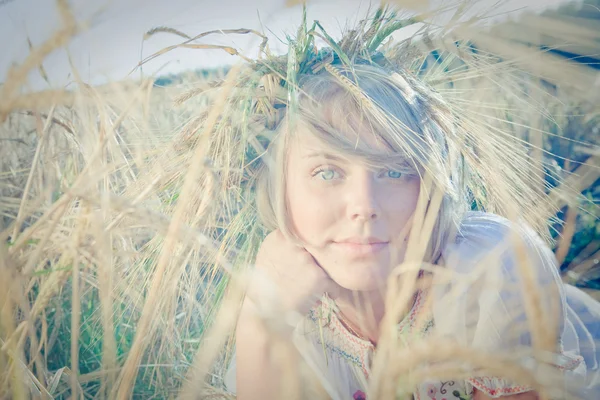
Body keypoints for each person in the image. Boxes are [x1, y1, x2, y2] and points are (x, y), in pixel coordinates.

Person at [189, 10, 600, 400]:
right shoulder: (286, 299)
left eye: (394, 171)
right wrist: (261, 326)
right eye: (327, 173)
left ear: (433, 184)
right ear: (280, 191)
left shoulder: (491, 268)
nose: (364, 206)